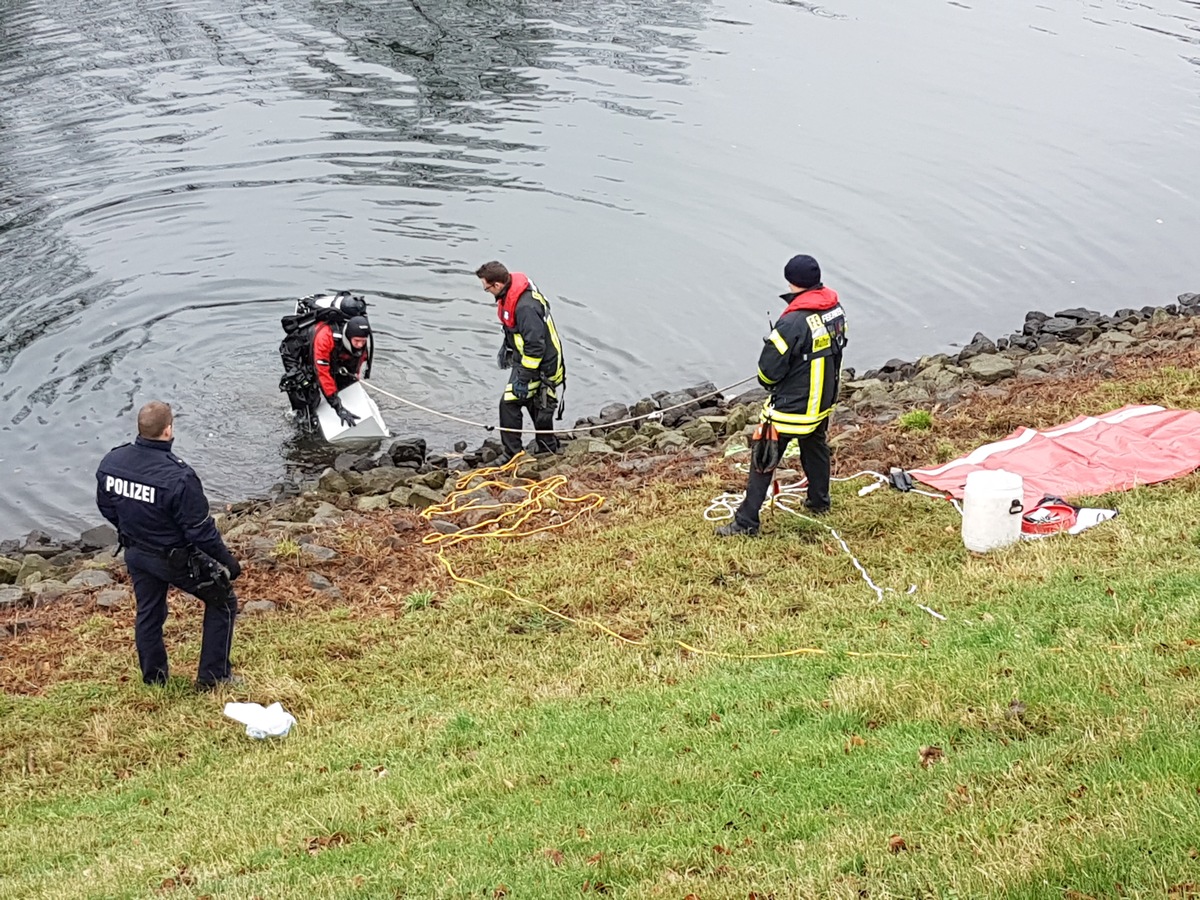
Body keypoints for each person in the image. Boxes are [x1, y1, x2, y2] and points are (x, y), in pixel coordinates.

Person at [95, 401, 243, 690]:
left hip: (136, 551)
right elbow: (201, 532)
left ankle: (154, 678)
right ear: (168, 431)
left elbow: (107, 507)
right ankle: (214, 678)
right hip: (174, 557)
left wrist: (132, 530)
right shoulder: (179, 477)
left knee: (149, 613)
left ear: (140, 429)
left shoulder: (112, 463)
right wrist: (228, 561)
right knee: (223, 601)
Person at [715, 254, 848, 537]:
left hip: (793, 406)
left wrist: (774, 381)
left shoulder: (791, 323)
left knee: (764, 455)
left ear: (791, 282)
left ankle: (746, 522)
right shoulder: (835, 309)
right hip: (823, 400)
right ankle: (819, 501)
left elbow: (768, 371)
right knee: (815, 446)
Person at [476, 260, 567, 460]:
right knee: (536, 402)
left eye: (486, 288)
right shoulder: (515, 296)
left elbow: (535, 347)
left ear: (497, 285)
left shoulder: (525, 307)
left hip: (541, 365)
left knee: (509, 403)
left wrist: (523, 378)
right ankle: (548, 447)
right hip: (532, 360)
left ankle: (513, 454)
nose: (487, 291)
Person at [278, 292, 372, 431]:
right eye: (356, 341)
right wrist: (338, 407)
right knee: (307, 393)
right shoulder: (325, 337)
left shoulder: (362, 344)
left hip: (330, 351)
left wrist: (349, 389)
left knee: (343, 382)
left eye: (362, 342)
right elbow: (322, 373)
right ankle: (302, 423)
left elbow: (355, 368)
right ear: (347, 337)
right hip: (297, 351)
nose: (359, 345)